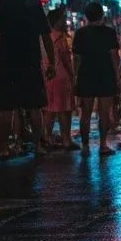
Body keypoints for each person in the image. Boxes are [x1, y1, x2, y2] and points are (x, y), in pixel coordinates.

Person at [0, 0, 56, 159]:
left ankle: (3, 147)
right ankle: (37, 146)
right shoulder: (34, 6)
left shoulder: (0, 7)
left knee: (6, 108)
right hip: (31, 62)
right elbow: (46, 36)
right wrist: (52, 62)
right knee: (34, 107)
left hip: (7, 63)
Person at [73, 1, 120, 155]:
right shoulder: (110, 33)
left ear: (86, 16)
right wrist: (118, 76)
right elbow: (114, 57)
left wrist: (75, 77)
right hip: (106, 75)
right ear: (102, 14)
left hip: (86, 76)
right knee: (104, 113)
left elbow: (77, 59)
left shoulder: (80, 33)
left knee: (85, 114)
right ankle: (102, 145)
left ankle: (85, 147)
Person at [44, 8, 77, 150]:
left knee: (49, 110)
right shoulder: (60, 37)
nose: (65, 21)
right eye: (63, 19)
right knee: (64, 109)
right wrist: (73, 76)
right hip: (60, 77)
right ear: (57, 21)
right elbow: (66, 60)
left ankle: (46, 138)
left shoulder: (44, 36)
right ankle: (66, 140)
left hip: (47, 77)